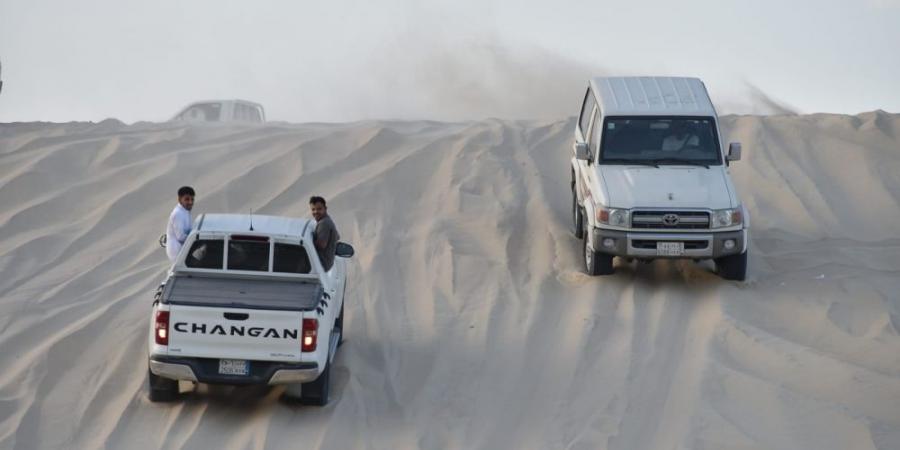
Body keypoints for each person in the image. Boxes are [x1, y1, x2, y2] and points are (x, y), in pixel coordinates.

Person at [309, 196, 340, 271]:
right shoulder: (327, 220)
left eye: (319, 209)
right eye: (313, 209)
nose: (316, 212)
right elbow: (338, 236)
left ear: (325, 209)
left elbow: (321, 245)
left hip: (321, 263)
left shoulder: (324, 223)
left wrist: (308, 240)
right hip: (326, 263)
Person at [166, 186, 195, 262]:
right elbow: (181, 237)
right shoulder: (178, 213)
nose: (190, 202)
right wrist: (197, 238)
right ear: (179, 199)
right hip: (177, 252)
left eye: (192, 199)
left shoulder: (185, 211)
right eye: (187, 199)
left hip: (183, 251)